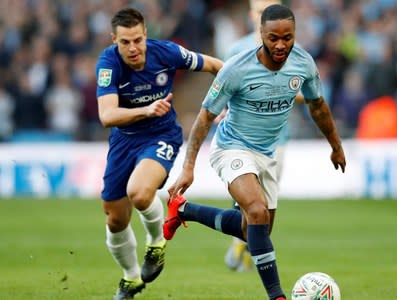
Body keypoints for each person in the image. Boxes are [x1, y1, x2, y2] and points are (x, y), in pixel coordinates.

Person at [165, 4, 346, 300]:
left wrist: (336, 146)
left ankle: (184, 211)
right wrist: (188, 167)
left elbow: (318, 106)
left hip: (268, 153)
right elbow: (204, 118)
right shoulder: (236, 68)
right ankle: (277, 296)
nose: (280, 44)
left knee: (254, 231)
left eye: (287, 38)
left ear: (294, 35)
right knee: (258, 211)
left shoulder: (302, 63)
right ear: (260, 33)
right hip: (231, 147)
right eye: (273, 37)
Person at [95, 8, 223, 300]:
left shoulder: (166, 52)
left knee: (139, 193)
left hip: (161, 135)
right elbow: (107, 115)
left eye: (138, 40)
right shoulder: (108, 63)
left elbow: (216, 65)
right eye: (125, 42)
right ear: (114, 40)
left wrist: (234, 94)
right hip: (124, 141)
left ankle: (156, 243)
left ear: (146, 35)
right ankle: (130, 279)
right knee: (115, 219)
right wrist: (146, 109)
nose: (133, 48)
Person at [221, 0, 294, 273]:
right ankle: (245, 245)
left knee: (266, 201)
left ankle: (246, 246)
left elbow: (304, 90)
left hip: (277, 139)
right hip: (240, 138)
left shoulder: (291, 51)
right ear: (253, 15)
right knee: (249, 198)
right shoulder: (237, 50)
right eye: (261, 11)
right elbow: (224, 88)